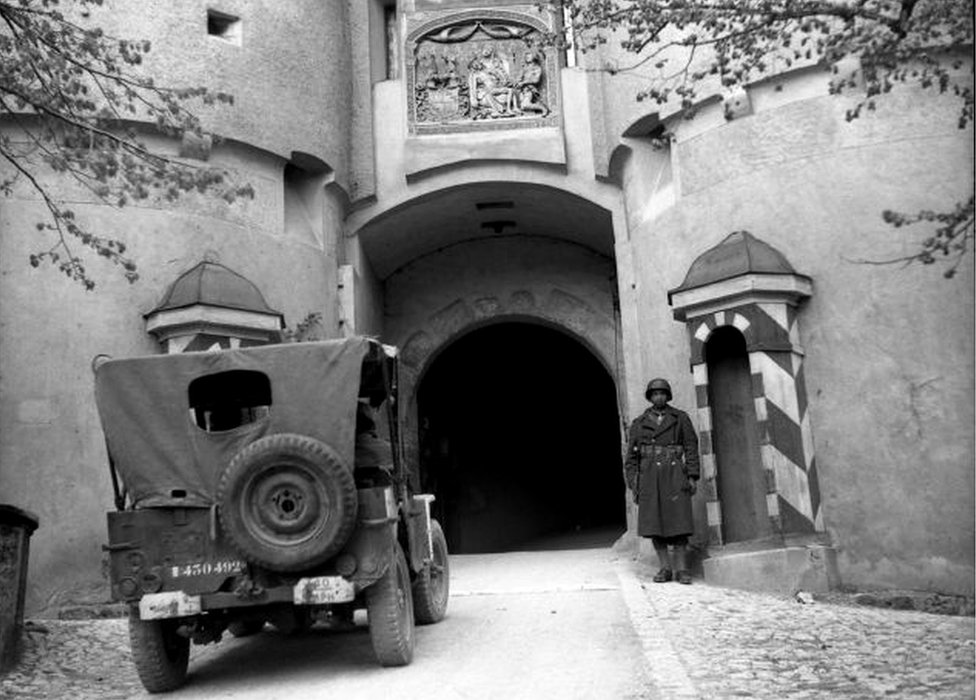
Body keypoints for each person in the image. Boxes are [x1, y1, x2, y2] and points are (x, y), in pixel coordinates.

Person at [625, 378, 700, 584]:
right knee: (655, 525)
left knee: (679, 523)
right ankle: (664, 568)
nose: (659, 397)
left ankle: (682, 570)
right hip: (649, 477)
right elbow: (631, 459)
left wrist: (692, 475)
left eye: (662, 393)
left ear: (668, 396)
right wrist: (634, 483)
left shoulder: (680, 418)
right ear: (650, 397)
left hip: (675, 474)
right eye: (655, 394)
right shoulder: (639, 424)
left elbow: (691, 447)